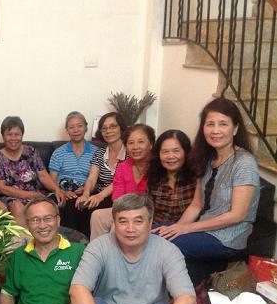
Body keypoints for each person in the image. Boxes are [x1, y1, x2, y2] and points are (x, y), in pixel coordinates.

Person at [153, 97, 260, 285]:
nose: (215, 130)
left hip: (228, 238)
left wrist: (187, 228)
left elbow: (237, 215)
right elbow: (196, 205)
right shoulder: (208, 159)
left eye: (223, 124)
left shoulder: (244, 163)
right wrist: (176, 228)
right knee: (147, 233)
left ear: (235, 129)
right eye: (210, 124)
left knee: (156, 242)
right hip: (203, 230)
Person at [0, 116, 64, 226]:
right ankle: (24, 236)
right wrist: (30, 195)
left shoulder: (31, 151)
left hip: (37, 194)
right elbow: (0, 188)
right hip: (13, 197)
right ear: (3, 136)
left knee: (48, 205)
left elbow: (43, 176)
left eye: (17, 134)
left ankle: (48, 235)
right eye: (9, 134)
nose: (13, 138)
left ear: (22, 135)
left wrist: (57, 189)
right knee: (17, 206)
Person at [90, 124, 155, 240]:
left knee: (118, 226)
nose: (135, 147)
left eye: (141, 142)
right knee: (97, 216)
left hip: (149, 212)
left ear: (150, 144)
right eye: (131, 143)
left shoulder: (157, 166)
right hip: (125, 208)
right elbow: (117, 199)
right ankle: (97, 249)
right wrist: (125, 215)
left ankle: (115, 251)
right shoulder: (123, 166)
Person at [48, 111, 97, 237]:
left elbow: (97, 178)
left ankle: (82, 241)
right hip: (61, 191)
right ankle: (67, 240)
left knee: (82, 204)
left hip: (86, 192)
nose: (76, 130)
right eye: (71, 127)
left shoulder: (96, 152)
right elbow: (51, 180)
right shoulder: (59, 152)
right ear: (67, 130)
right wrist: (62, 192)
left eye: (79, 126)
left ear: (86, 127)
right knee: (64, 203)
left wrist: (86, 189)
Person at [75, 112, 127, 212]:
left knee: (93, 209)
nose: (108, 131)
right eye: (104, 128)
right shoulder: (99, 153)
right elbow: (92, 178)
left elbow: (119, 181)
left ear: (121, 128)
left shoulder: (129, 152)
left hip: (120, 197)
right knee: (77, 205)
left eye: (113, 126)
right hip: (99, 194)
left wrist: (100, 196)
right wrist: (85, 194)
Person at [147, 129, 196, 226]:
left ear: (186, 152)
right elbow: (148, 211)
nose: (170, 156)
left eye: (176, 151)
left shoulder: (196, 178)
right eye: (165, 152)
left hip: (187, 229)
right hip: (157, 228)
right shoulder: (154, 178)